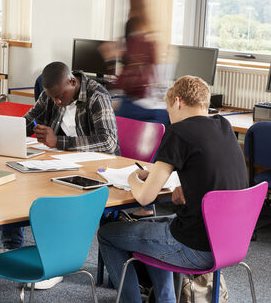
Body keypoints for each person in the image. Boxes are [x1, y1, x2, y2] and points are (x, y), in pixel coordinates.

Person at [0, 61, 119, 289]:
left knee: (55, 199)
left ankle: (55, 265)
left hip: (97, 166)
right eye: (52, 97)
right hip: (61, 161)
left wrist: (60, 141)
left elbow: (108, 142)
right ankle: (12, 245)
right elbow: (27, 120)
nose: (56, 102)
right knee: (12, 175)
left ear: (73, 82)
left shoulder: (97, 96)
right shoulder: (51, 94)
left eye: (60, 97)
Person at [97, 76, 248, 303]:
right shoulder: (224, 127)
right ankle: (165, 299)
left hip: (195, 248)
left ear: (177, 102)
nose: (169, 115)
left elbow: (145, 195)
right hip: (231, 243)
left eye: (168, 109)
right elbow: (211, 173)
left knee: (107, 235)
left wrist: (133, 177)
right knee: (153, 227)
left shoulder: (178, 132)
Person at [99, 0, 169, 126]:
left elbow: (127, 71)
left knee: (110, 118)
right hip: (151, 103)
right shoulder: (153, 30)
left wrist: (111, 58)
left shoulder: (131, 25)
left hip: (134, 103)